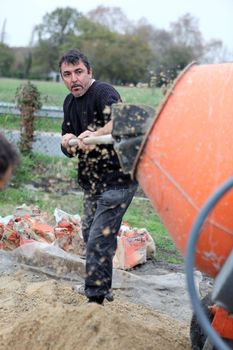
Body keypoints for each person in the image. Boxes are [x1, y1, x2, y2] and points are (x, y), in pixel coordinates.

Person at [59, 49, 137, 305]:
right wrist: (68, 141)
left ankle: (95, 298)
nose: (74, 79)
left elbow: (120, 120)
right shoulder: (69, 103)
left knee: (99, 238)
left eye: (79, 72)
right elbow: (65, 137)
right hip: (93, 182)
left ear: (89, 72)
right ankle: (103, 285)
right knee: (89, 232)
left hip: (119, 179)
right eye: (67, 75)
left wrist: (92, 134)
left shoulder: (103, 92)